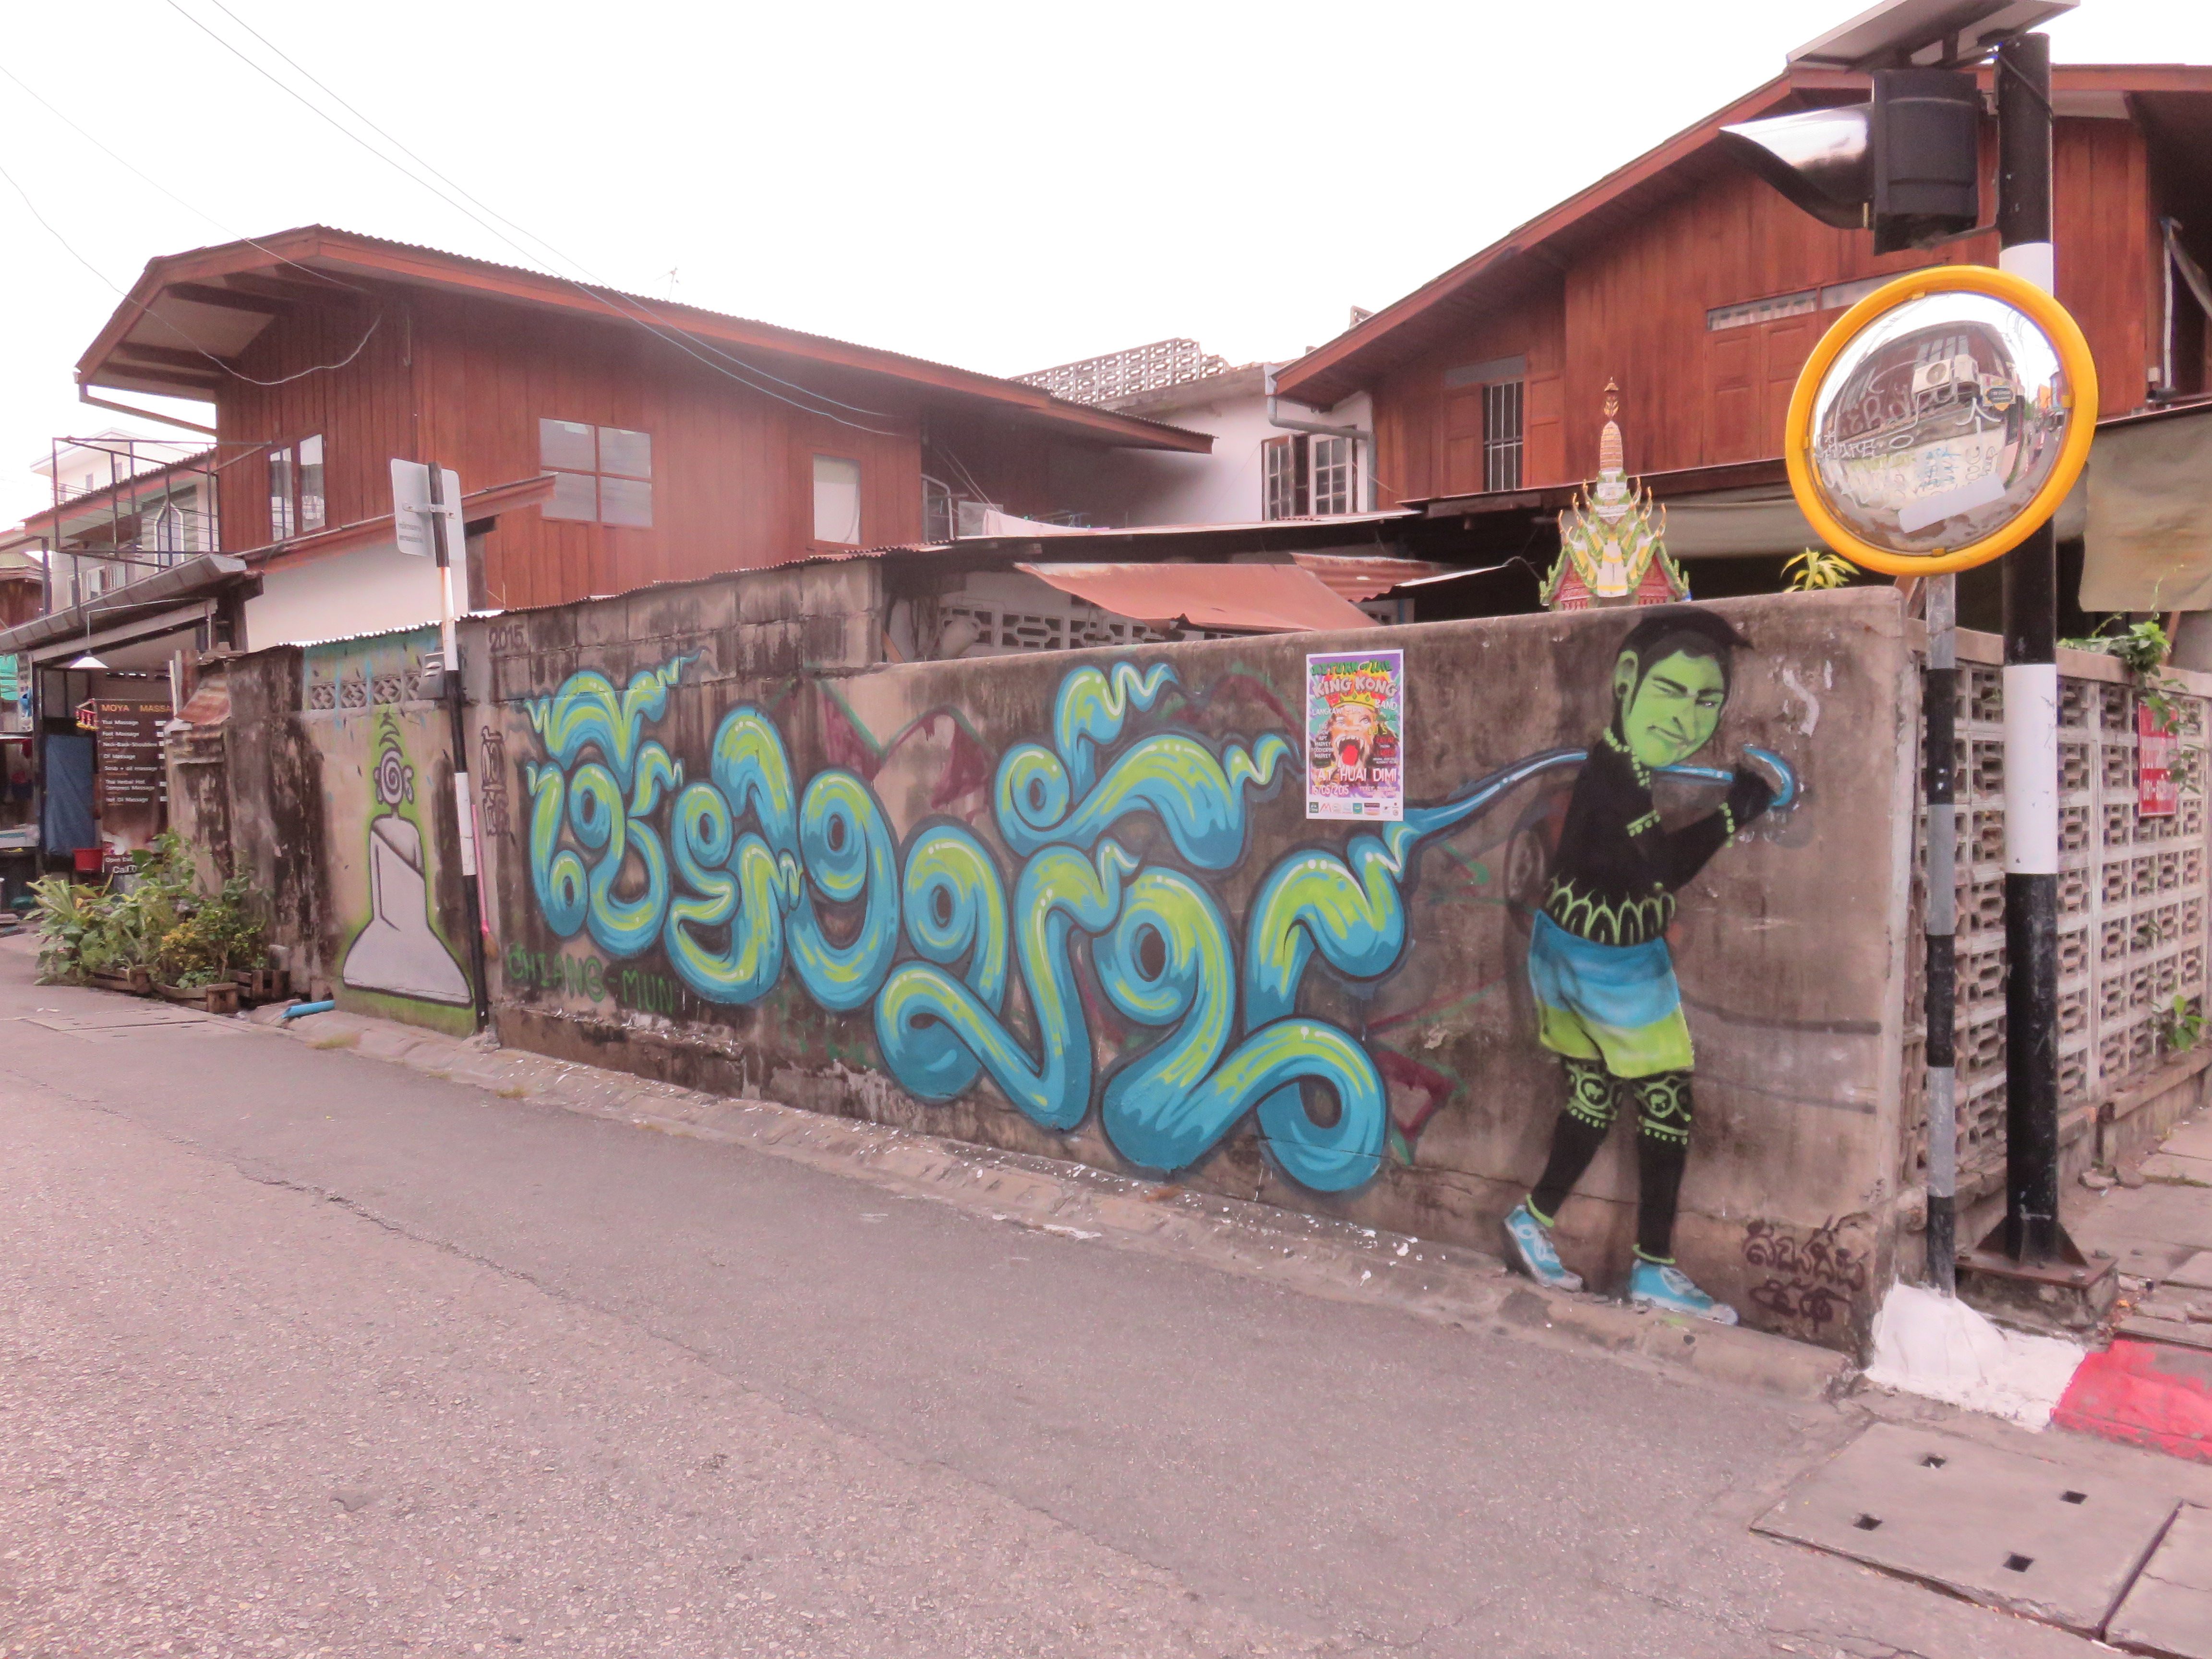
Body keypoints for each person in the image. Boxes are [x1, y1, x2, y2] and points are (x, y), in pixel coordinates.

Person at [1501, 608, 1776, 1323]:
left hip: (1563, 946)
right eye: (1671, 692)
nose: (1687, 719)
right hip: (1612, 963)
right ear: (1625, 680)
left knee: (1594, 1096)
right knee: (1666, 1100)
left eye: (1707, 701)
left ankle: (1532, 1219)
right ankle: (1653, 1268)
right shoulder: (1619, 778)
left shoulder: (1614, 764)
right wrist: (1735, 811)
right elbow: (1662, 868)